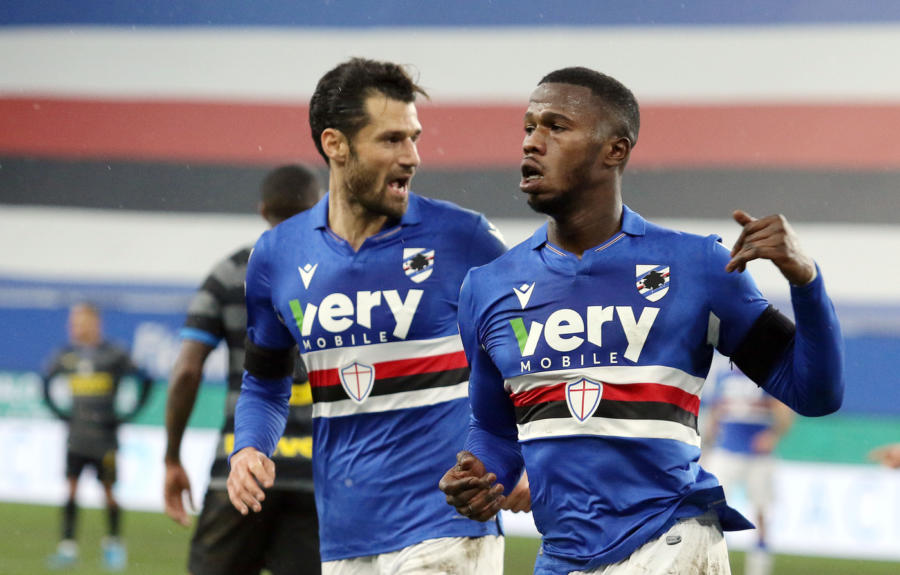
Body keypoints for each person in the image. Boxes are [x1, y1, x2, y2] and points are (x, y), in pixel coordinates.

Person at [438, 66, 844, 575]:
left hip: (670, 543)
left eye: (556, 127)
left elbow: (814, 393)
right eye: (529, 127)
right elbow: (494, 431)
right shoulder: (487, 288)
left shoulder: (698, 267)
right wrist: (480, 475)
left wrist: (806, 281)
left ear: (615, 150)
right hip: (561, 556)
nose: (532, 142)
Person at [225, 58, 508, 574]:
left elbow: (535, 352)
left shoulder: (464, 238)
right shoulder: (276, 256)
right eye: (392, 140)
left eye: (414, 138)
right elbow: (264, 383)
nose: (412, 157)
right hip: (345, 535)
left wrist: (521, 456)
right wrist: (249, 448)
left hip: (448, 525)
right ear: (335, 144)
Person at [164, 164, 323, 575]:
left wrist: (172, 457)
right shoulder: (339, 271)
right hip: (318, 477)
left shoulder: (231, 272)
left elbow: (186, 372)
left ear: (263, 210)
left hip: (242, 468)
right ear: (319, 206)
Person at [43, 302, 152, 571]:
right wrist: (61, 414)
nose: (74, 327)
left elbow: (145, 379)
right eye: (73, 322)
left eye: (80, 322)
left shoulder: (113, 354)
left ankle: (114, 545)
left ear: (95, 323)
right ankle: (68, 548)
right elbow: (45, 382)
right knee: (70, 491)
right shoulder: (66, 355)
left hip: (105, 440)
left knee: (109, 493)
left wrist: (128, 414)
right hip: (76, 438)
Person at [702, 358, 795, 575]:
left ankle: (759, 567)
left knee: (761, 511)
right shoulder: (724, 376)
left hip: (758, 457)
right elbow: (715, 412)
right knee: (712, 509)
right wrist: (707, 446)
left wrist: (773, 435)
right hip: (726, 452)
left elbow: (784, 411)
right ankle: (712, 563)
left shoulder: (766, 376)